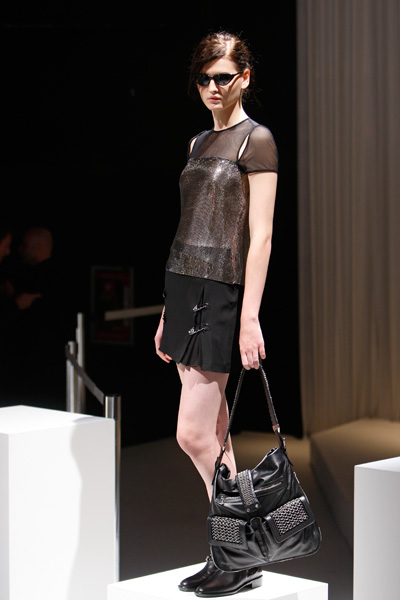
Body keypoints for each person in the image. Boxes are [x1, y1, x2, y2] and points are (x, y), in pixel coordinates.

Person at [154, 31, 278, 597]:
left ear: (244, 78)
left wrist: (250, 316)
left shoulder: (256, 140)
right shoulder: (199, 140)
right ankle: (232, 553)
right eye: (203, 78)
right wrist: (167, 308)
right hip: (183, 286)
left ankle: (242, 547)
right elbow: (190, 226)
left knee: (193, 435)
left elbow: (261, 237)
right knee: (218, 436)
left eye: (223, 76)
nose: (212, 87)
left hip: (218, 292)